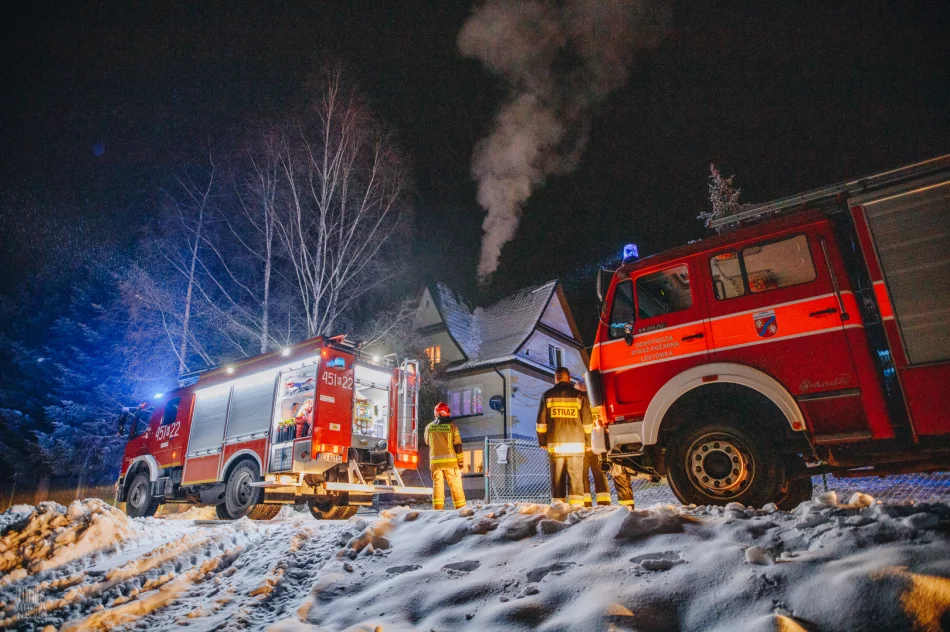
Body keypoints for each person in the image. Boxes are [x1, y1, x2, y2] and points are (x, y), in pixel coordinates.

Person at [537, 367, 589, 506]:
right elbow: (587, 422)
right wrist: (589, 443)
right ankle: (576, 508)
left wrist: (543, 442)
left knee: (557, 479)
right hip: (576, 446)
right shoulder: (579, 396)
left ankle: (558, 508)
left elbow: (541, 423)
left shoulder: (547, 395)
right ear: (569, 378)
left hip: (556, 445)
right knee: (576, 479)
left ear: (556, 378)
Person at [423, 402, 467, 511]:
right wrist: (461, 463)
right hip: (451, 463)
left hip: (435, 463)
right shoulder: (452, 426)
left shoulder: (429, 427)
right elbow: (458, 446)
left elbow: (427, 442)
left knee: (437, 485)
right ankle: (461, 510)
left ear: (436, 413)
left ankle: (437, 510)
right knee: (456, 485)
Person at [576, 381, 611, 507]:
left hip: (585, 445)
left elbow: (585, 423)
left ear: (581, 390)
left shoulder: (582, 401)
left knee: (583, 475)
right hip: (599, 443)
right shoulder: (597, 401)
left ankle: (586, 504)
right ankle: (604, 503)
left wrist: (587, 443)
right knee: (600, 474)